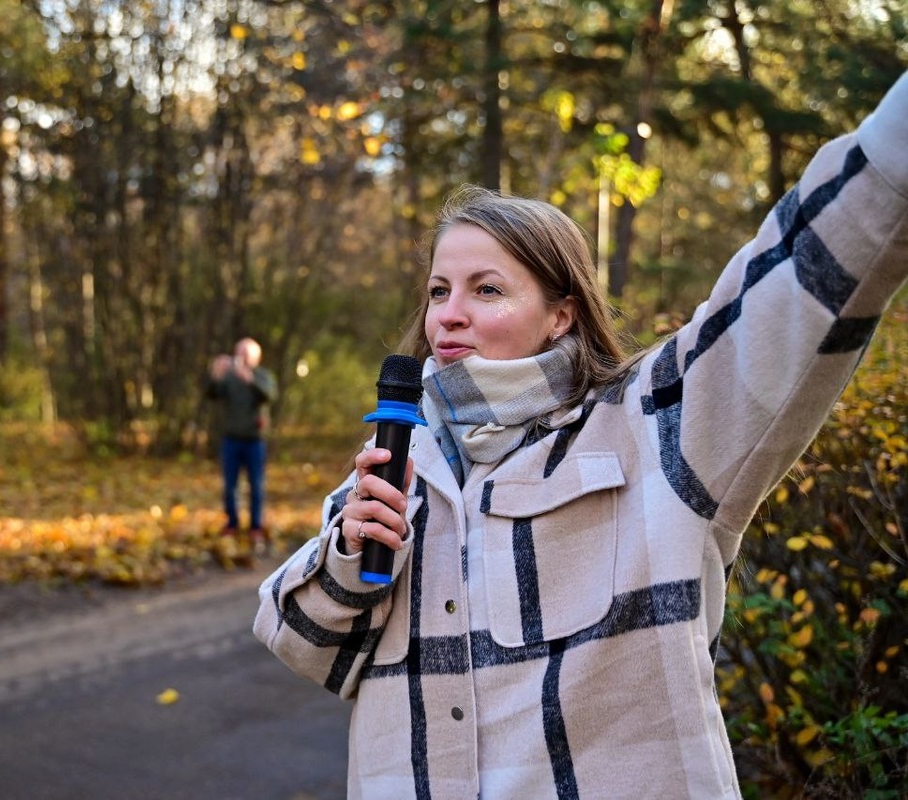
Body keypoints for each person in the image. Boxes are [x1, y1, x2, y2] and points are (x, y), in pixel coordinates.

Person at [254, 72, 908, 799]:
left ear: (561, 314)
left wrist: (892, 149)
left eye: (487, 289)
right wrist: (349, 556)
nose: (448, 314)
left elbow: (791, 283)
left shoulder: (653, 430)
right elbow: (304, 647)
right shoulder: (401, 461)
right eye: (440, 290)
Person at [207, 336, 278, 547]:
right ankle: (232, 523)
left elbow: (269, 396)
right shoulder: (229, 378)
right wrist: (216, 375)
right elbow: (211, 394)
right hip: (231, 440)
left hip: (254, 441)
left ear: (256, 357)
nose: (242, 357)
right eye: (239, 352)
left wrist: (250, 380)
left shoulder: (263, 376)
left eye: (246, 353)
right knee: (230, 485)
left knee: (256, 485)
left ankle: (255, 526)